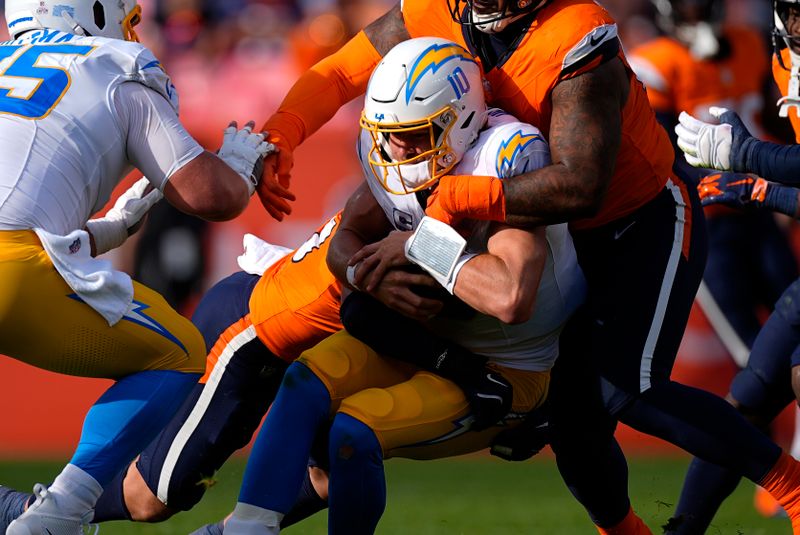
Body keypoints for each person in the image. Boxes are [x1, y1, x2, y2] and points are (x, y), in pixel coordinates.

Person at [253, 0, 800, 532]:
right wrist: (283, 130)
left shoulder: (573, 33)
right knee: (574, 424)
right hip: (541, 224)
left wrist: (449, 207)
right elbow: (344, 69)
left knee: (625, 389)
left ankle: (790, 488)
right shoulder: (434, 9)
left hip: (637, 220)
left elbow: (580, 187)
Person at [222, 36, 586, 535]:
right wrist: (365, 276)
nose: (398, 149)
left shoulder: (504, 157)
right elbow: (342, 243)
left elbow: (510, 298)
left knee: (353, 430)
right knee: (303, 381)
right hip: (429, 343)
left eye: (415, 134)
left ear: (459, 120)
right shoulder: (391, 153)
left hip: (507, 367)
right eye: (389, 134)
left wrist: (418, 245)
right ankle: (244, 529)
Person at [0, 0, 272, 533]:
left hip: (21, 251)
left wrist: (111, 229)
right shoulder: (112, 65)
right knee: (179, 352)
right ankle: (62, 509)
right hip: (13, 271)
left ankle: (22, 514)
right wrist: (240, 168)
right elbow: (210, 195)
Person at [628, 0, 800, 519]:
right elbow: (659, 153)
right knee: (753, 386)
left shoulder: (751, 48)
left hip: (755, 208)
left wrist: (759, 178)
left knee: (769, 380)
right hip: (713, 222)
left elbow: (768, 141)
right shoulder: (657, 61)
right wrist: (757, 184)